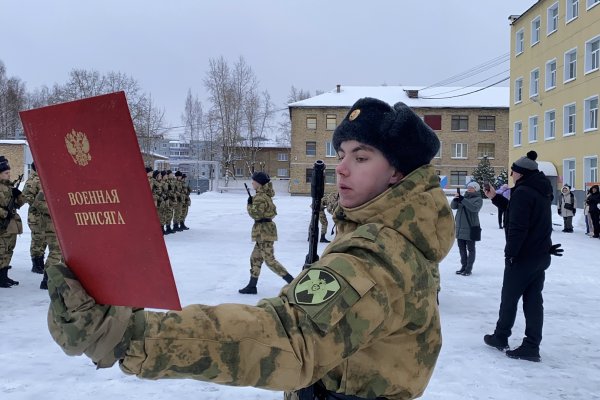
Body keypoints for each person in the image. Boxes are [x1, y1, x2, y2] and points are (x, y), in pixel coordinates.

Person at [45, 97, 455, 400]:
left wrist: (129, 336)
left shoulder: (377, 255)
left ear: (399, 173)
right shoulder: (391, 237)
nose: (342, 167)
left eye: (361, 157)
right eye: (342, 154)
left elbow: (288, 337)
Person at [483, 150, 562, 362]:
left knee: (509, 298)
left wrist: (511, 254)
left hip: (524, 257)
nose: (511, 173)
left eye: (514, 171)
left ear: (522, 173)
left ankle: (501, 336)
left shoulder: (523, 192)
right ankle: (531, 345)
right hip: (540, 254)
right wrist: (496, 198)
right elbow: (522, 213)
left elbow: (518, 226)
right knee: (534, 301)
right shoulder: (540, 190)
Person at [238, 171, 293, 294]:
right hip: (264, 231)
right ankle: (252, 286)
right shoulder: (265, 195)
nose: (252, 183)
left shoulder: (260, 197)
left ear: (258, 183)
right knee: (255, 258)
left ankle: (293, 282)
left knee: (269, 260)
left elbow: (255, 214)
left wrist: (249, 204)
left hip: (264, 232)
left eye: (254, 181)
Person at [0, 157, 25, 288]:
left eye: (9, 172)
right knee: (1, 251)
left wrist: (18, 195)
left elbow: (20, 204)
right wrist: (4, 213)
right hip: (2, 225)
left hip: (11, 226)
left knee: (9, 251)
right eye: (5, 173)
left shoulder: (10, 187)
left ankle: (4, 276)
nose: (9, 175)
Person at [451, 181, 483, 276]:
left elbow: (474, 208)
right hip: (460, 227)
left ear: (476, 189)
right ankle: (463, 267)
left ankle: (468, 269)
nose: (469, 189)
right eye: (468, 187)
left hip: (470, 227)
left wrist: (463, 200)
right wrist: (456, 200)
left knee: (471, 249)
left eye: (471, 188)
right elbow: (453, 207)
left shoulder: (478, 199)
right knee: (461, 249)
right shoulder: (463, 197)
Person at [21, 162, 47, 274]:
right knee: (37, 240)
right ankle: (36, 264)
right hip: (35, 216)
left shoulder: (43, 179)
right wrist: (39, 205)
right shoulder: (33, 180)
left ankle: (40, 261)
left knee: (44, 239)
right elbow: (26, 196)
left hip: (45, 217)